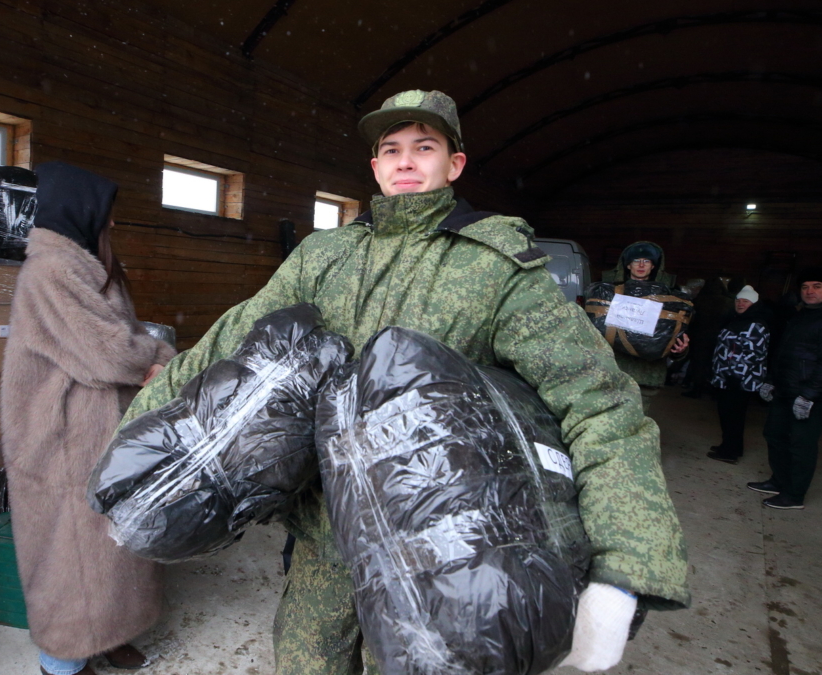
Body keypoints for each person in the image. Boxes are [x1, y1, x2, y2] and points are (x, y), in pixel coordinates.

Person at [121, 90, 689, 674]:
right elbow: (231, 340)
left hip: (442, 553)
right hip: (324, 531)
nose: (406, 161)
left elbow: (598, 404)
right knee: (303, 661)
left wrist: (625, 567)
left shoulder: (493, 268)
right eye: (391, 150)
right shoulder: (326, 256)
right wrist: (140, 430)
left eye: (425, 146)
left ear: (454, 165)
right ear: (375, 167)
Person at [0, 162, 177, 675]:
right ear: (83, 213)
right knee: (70, 554)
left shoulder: (88, 266)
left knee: (112, 543)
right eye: (108, 214)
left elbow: (122, 336)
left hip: (96, 427)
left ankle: (109, 631)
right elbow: (105, 352)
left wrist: (149, 358)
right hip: (62, 434)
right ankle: (62, 658)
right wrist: (161, 359)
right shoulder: (52, 272)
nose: (113, 224)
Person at [751, 267, 822, 510]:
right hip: (785, 390)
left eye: (816, 286)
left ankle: (794, 495)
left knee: (801, 445)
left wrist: (809, 396)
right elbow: (785, 353)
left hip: (808, 396)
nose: (809, 291)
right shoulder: (802, 315)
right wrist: (771, 379)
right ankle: (779, 481)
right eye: (805, 286)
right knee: (775, 435)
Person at [600, 241, 690, 412]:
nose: (641, 265)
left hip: (645, 376)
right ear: (628, 265)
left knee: (634, 426)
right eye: (636, 260)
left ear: (653, 266)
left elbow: (672, 337)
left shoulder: (669, 299)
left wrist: (680, 350)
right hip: (612, 373)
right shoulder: (607, 293)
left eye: (646, 261)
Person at [707, 285, 771, 463]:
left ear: (754, 304)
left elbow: (754, 354)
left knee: (733, 415)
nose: (740, 304)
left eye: (746, 301)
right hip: (727, 377)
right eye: (738, 300)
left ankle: (730, 452)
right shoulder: (736, 320)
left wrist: (736, 376)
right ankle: (731, 445)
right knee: (727, 414)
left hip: (739, 379)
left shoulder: (756, 325)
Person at [683, 276, 735, 399]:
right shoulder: (728, 302)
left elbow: (692, 319)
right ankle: (714, 389)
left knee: (699, 364)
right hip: (719, 338)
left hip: (700, 336)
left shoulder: (700, 300)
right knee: (716, 364)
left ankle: (696, 389)